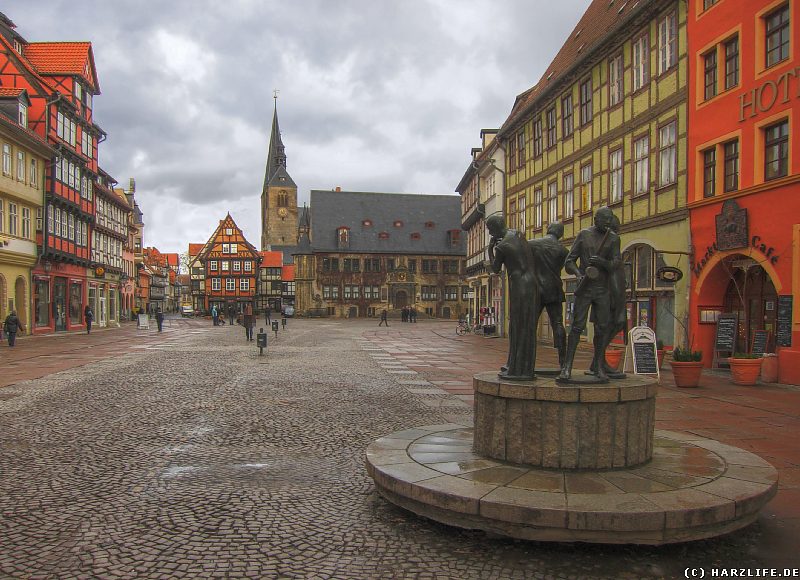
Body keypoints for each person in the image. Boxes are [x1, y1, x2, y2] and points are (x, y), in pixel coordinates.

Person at [558, 207, 621, 382]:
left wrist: (603, 263)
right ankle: (567, 366)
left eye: (610, 219)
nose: (608, 223)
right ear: (596, 219)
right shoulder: (584, 235)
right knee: (577, 327)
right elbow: (569, 261)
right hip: (585, 288)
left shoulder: (614, 238)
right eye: (605, 219)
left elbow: (617, 262)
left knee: (602, 327)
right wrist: (578, 274)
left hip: (602, 289)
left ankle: (599, 366)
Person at [486, 213, 539, 380]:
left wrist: (490, 250)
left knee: (518, 325)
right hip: (531, 282)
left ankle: (517, 369)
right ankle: (522, 366)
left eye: (489, 230)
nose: (489, 234)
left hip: (519, 285)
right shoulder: (517, 234)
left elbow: (495, 269)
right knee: (527, 325)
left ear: (495, 228)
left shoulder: (502, 246)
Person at [529, 222, 569, 368]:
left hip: (536, 288)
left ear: (548, 230)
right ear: (560, 234)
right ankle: (563, 361)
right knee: (558, 323)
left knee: (530, 324)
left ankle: (528, 361)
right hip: (554, 288)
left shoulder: (533, 244)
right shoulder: (563, 250)